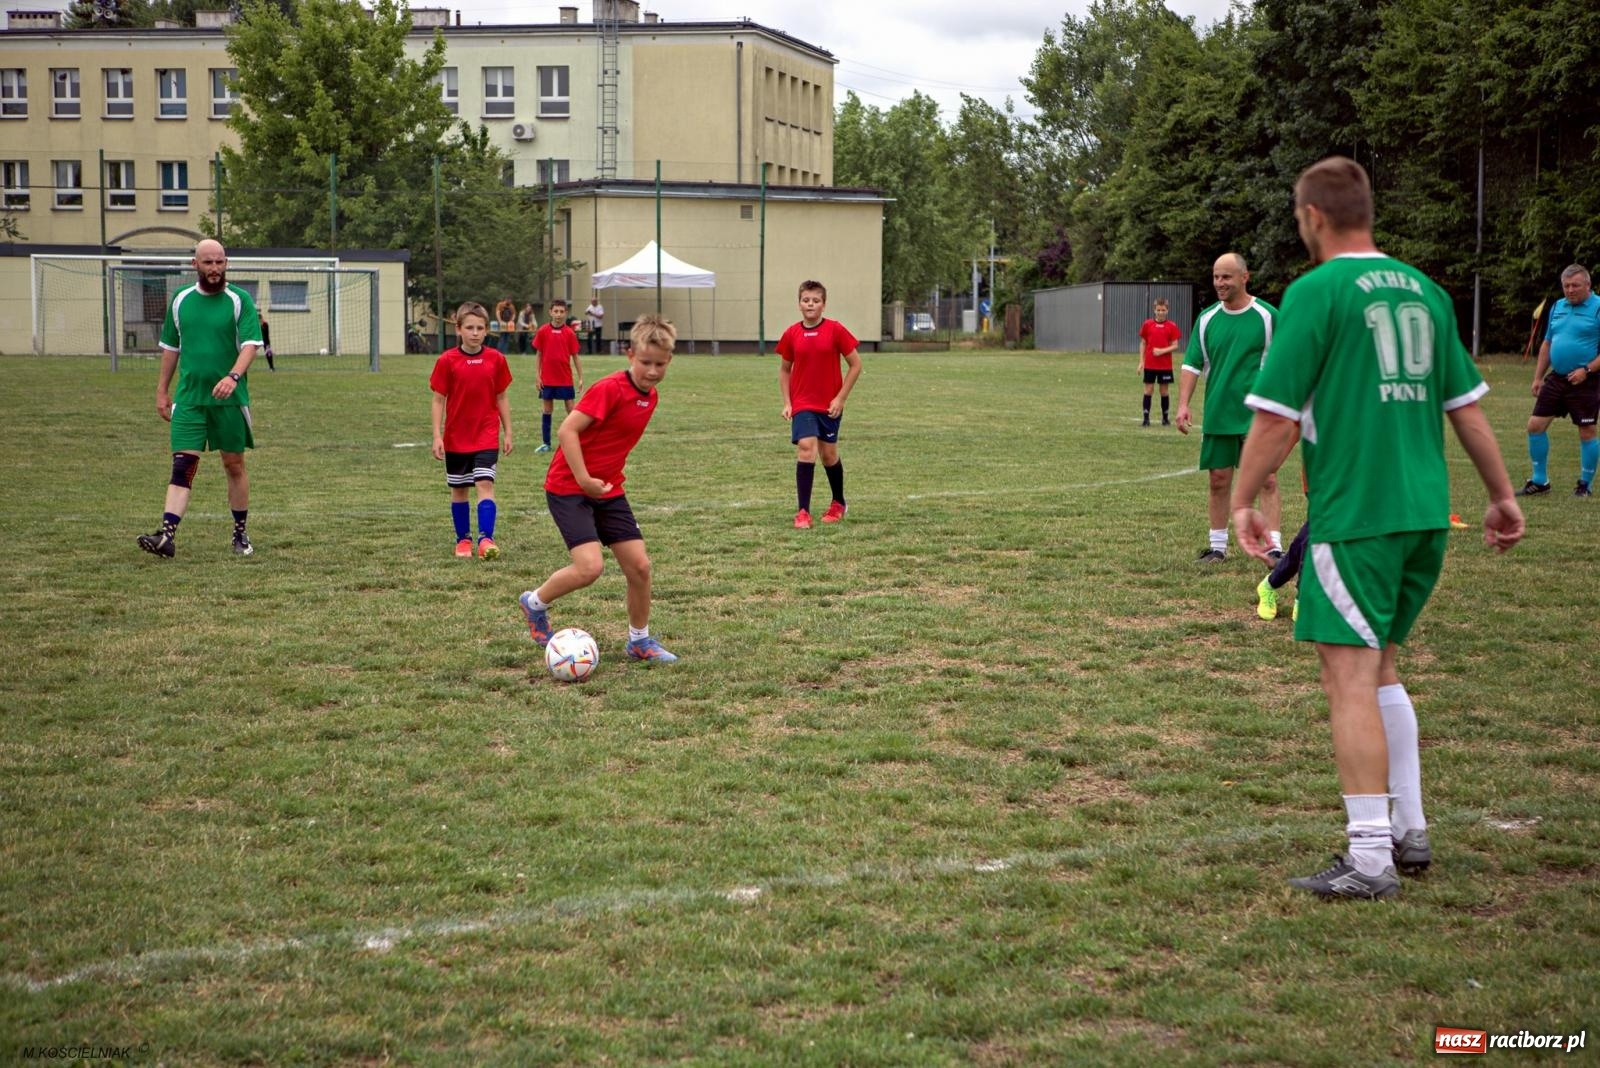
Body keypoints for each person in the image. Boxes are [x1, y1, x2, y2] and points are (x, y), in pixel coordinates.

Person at [1231, 156, 1525, 900]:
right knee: (1382, 665)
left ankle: (1369, 858)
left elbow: (1275, 415)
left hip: (1356, 517)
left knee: (1348, 677)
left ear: (1312, 217)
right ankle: (1408, 827)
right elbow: (1466, 406)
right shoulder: (1424, 290)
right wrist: (1500, 495)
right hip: (1425, 515)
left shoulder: (1316, 291)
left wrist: (1243, 501)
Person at [518, 315, 680, 664]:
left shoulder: (651, 397)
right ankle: (534, 604)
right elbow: (567, 431)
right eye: (645, 362)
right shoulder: (610, 388)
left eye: (660, 364)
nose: (652, 371)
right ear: (629, 355)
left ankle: (639, 640)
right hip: (569, 487)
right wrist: (584, 479)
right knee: (589, 568)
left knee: (639, 567)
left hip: (608, 489)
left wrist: (600, 482)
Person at [137, 239, 264, 560]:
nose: (215, 269)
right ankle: (166, 536)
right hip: (190, 399)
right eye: (208, 263)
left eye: (220, 262)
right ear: (195, 265)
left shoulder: (239, 300)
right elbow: (171, 348)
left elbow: (251, 344)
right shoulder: (180, 300)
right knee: (183, 466)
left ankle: (240, 533)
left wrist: (232, 377)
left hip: (230, 401)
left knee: (233, 464)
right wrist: (162, 391)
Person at [1175, 253, 1284, 563]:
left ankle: (1275, 546)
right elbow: (1192, 364)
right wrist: (1183, 404)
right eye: (1216, 277)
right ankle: (1217, 548)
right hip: (1220, 412)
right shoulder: (1207, 319)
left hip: (1258, 416)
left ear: (1244, 277)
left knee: (1268, 479)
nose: (1220, 283)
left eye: (1226, 277)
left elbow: (1288, 359)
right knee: (1218, 480)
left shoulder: (1267, 316)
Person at [430, 301, 513, 559]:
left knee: (485, 483)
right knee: (460, 489)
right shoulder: (447, 361)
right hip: (456, 437)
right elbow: (438, 399)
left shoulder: (496, 360)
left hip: (486, 435)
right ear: (459, 329)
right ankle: (462, 540)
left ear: (487, 330)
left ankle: (486, 539)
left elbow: (501, 397)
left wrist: (508, 431)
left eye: (480, 328)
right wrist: (436, 435)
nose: (475, 332)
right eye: (469, 327)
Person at [778, 279, 863, 528]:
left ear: (823, 305)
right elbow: (784, 370)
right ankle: (803, 511)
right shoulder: (792, 333)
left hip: (829, 406)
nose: (810, 304)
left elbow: (856, 365)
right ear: (799, 304)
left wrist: (840, 398)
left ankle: (838, 502)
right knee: (806, 448)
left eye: (815, 300)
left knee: (828, 455)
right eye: (806, 300)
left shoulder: (836, 330)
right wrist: (787, 402)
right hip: (803, 404)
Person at [1514, 264, 1600, 499]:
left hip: (1586, 380)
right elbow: (1547, 344)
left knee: (1587, 431)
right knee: (1535, 426)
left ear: (1588, 285)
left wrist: (1587, 370)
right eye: (1566, 286)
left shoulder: (1598, 307)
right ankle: (1540, 482)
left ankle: (1585, 484)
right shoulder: (1557, 307)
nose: (1570, 290)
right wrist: (1538, 377)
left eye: (1575, 285)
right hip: (1556, 378)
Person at [532, 298, 584, 453]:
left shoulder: (569, 333)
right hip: (547, 379)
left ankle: (576, 440)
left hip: (565, 379)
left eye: (562, 312)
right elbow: (539, 354)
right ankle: (546, 443)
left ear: (566, 313)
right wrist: (537, 375)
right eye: (556, 311)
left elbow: (575, 356)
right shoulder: (543, 331)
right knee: (547, 409)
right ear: (550, 312)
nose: (558, 315)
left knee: (571, 409)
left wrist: (580, 377)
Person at [1137, 297, 1182, 426]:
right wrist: (1141, 362)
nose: (1160, 312)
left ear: (1167, 310)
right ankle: (1146, 419)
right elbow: (1143, 343)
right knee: (1148, 390)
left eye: (1163, 310)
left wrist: (1161, 351)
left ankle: (1165, 419)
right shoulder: (1147, 324)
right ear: (1154, 310)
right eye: (1158, 310)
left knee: (1164, 391)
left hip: (1165, 366)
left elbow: (1175, 345)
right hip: (1150, 365)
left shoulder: (1171, 326)